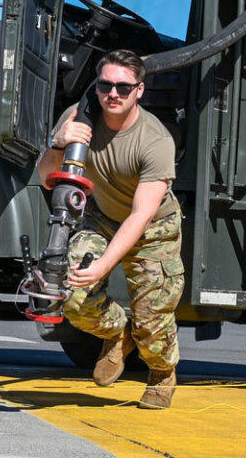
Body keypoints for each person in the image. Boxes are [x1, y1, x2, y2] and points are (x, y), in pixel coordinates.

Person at [36, 49, 184, 409]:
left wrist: (104, 266)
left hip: (153, 229)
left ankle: (162, 375)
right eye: (106, 85)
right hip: (102, 218)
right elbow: (46, 178)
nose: (113, 94)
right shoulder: (78, 119)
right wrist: (58, 142)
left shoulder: (155, 141)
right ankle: (118, 335)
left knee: (152, 319)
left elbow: (140, 215)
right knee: (71, 293)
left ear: (139, 91)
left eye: (123, 86)